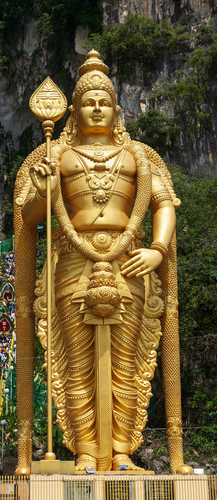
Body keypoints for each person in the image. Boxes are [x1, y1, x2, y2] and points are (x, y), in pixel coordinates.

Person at [14, 51, 191, 474]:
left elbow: (164, 205)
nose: (96, 107)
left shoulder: (139, 158)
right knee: (77, 362)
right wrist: (43, 190)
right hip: (73, 263)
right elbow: (29, 218)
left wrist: (158, 249)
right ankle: (87, 452)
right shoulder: (55, 156)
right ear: (73, 110)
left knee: (127, 362)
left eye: (103, 101)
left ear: (116, 109)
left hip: (130, 261)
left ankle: (122, 451)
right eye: (89, 101)